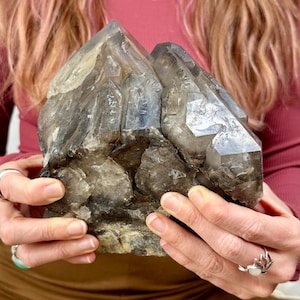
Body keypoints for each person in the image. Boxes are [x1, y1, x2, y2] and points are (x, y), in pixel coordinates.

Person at [0, 0, 299, 299]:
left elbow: (288, 160)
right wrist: (8, 187)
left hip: (210, 285)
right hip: (25, 280)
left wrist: (284, 240)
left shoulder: (272, 8)